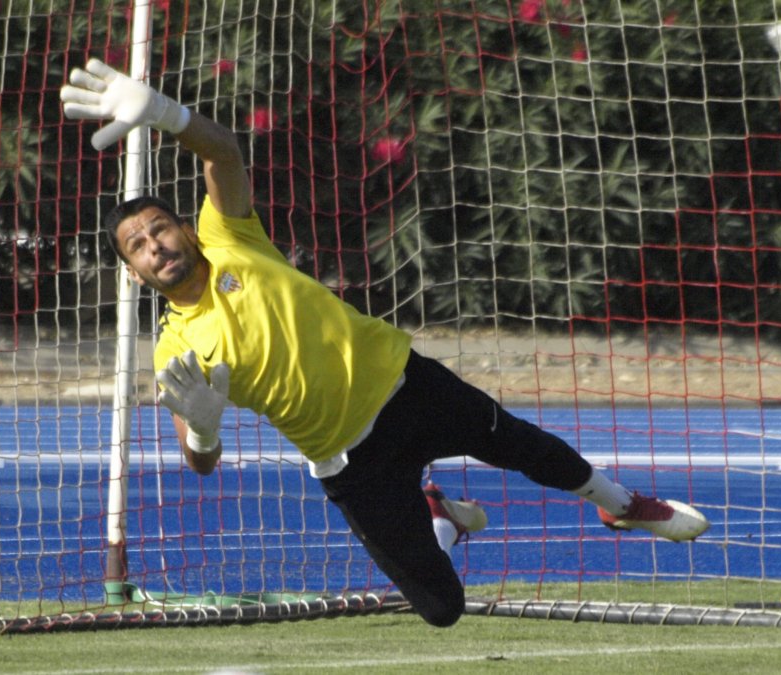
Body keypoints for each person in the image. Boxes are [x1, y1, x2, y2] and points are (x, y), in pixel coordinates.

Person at [60, 58, 709, 628]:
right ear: (133, 271)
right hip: (350, 461)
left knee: (524, 445)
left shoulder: (229, 238)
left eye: (159, 229)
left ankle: (624, 506)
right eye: (138, 246)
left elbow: (222, 152)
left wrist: (165, 113)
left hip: (406, 386)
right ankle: (441, 517)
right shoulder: (176, 348)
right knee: (441, 608)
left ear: (185, 229)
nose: (155, 246)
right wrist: (201, 432)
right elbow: (198, 462)